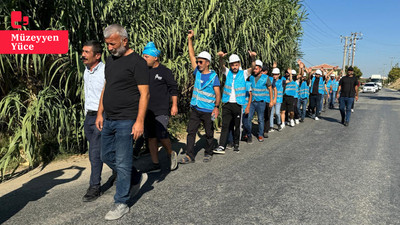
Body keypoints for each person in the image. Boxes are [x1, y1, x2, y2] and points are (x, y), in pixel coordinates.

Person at [96, 24, 149, 220]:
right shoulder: (110, 60)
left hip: (127, 120)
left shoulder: (137, 63)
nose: (109, 48)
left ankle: (121, 202)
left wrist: (139, 122)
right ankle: (136, 177)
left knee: (123, 161)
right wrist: (100, 113)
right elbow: (106, 87)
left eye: (113, 44)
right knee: (105, 155)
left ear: (125, 41)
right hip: (109, 118)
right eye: (107, 44)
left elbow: (145, 94)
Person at [179, 30, 221, 163]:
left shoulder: (213, 77)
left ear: (207, 63)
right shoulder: (197, 72)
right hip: (196, 108)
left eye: (201, 62)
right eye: (198, 62)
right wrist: (190, 39)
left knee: (209, 133)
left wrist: (216, 107)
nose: (198, 64)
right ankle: (189, 155)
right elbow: (191, 55)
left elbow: (217, 93)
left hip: (208, 110)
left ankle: (208, 152)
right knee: (191, 132)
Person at [141, 42, 179, 173]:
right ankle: (155, 164)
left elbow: (173, 89)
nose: (144, 59)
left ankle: (170, 153)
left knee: (162, 135)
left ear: (155, 57)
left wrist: (174, 105)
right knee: (151, 137)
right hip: (147, 110)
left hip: (161, 109)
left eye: (146, 57)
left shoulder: (165, 71)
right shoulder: (143, 71)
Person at [213, 51, 256, 154]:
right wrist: (220, 58)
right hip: (227, 103)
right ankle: (221, 146)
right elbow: (221, 66)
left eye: (236, 64)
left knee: (237, 126)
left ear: (239, 64)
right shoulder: (228, 72)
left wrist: (253, 58)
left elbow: (253, 68)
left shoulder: (244, 73)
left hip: (238, 104)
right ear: (230, 65)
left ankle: (236, 144)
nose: (234, 66)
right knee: (225, 125)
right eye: (232, 65)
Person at [81, 40, 107, 202]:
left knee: (95, 152)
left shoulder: (105, 71)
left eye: (86, 52)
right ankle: (125, 172)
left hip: (101, 116)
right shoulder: (86, 71)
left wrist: (101, 115)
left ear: (97, 55)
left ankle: (94, 186)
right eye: (82, 51)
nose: (82, 55)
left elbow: (107, 95)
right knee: (102, 151)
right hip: (89, 116)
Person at [248, 60, 273, 142]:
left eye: (256, 69)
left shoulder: (266, 78)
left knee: (260, 119)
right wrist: (252, 58)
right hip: (252, 101)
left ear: (260, 69)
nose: (254, 70)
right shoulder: (251, 77)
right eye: (254, 69)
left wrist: (271, 101)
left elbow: (270, 89)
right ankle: (248, 135)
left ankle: (260, 135)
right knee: (249, 118)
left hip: (261, 102)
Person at [262, 65, 277, 138]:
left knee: (267, 116)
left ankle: (265, 131)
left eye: (263, 71)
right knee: (261, 116)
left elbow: (274, 89)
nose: (262, 72)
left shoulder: (271, 79)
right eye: (261, 71)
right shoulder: (258, 78)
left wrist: (274, 99)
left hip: (268, 100)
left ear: (266, 72)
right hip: (261, 100)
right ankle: (261, 129)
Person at [270, 67, 285, 132]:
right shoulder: (270, 81)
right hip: (271, 99)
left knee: (277, 113)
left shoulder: (282, 81)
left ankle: (279, 123)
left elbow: (290, 80)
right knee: (271, 113)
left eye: (276, 74)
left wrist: (290, 74)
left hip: (278, 100)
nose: (274, 76)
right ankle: (271, 126)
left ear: (279, 75)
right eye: (273, 74)